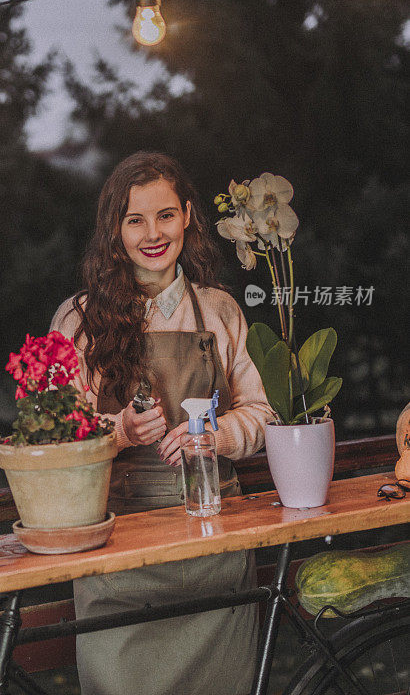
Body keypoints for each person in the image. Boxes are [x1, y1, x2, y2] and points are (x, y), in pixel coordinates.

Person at [50, 151, 274, 695]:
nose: (154, 233)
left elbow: (265, 415)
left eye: (166, 215)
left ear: (189, 216)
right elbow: (54, 438)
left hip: (213, 550)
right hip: (118, 556)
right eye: (135, 220)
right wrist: (120, 430)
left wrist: (215, 436)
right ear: (114, 231)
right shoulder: (77, 320)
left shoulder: (219, 311)